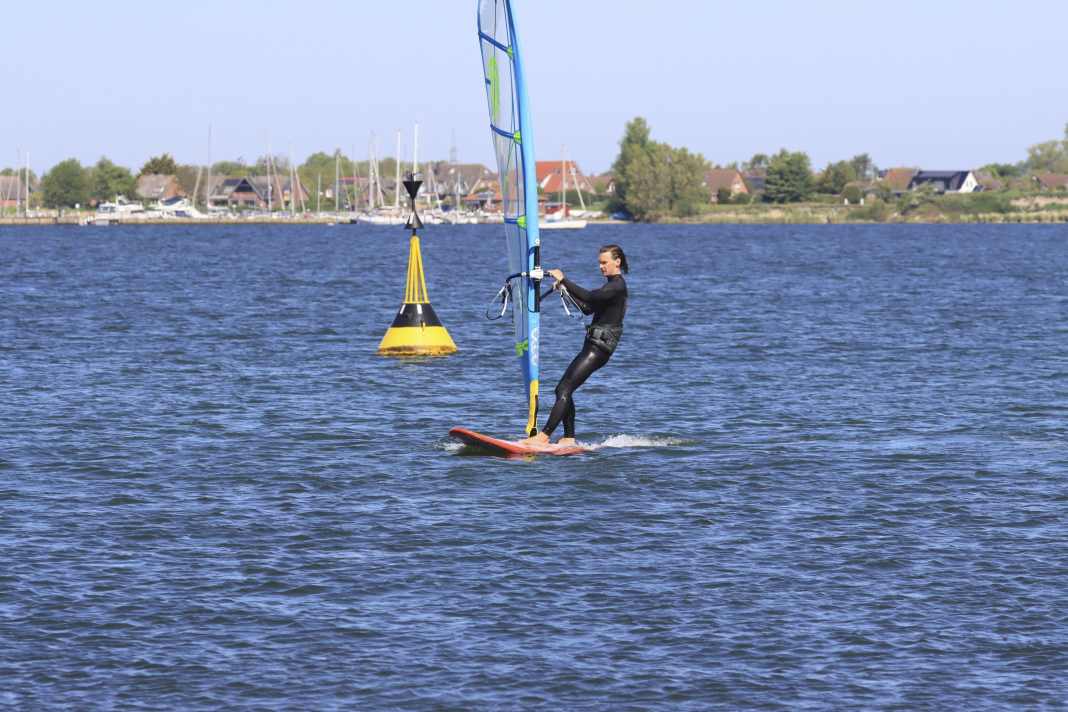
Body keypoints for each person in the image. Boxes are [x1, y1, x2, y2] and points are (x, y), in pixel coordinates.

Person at [522, 244, 629, 447]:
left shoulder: (617, 286)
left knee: (564, 389)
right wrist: (564, 290)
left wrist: (564, 279)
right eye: (599, 263)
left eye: (604, 262)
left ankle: (543, 436)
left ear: (617, 262)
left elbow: (589, 297)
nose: (601, 266)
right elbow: (588, 308)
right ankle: (568, 438)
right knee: (563, 389)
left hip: (598, 350)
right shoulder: (610, 287)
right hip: (592, 347)